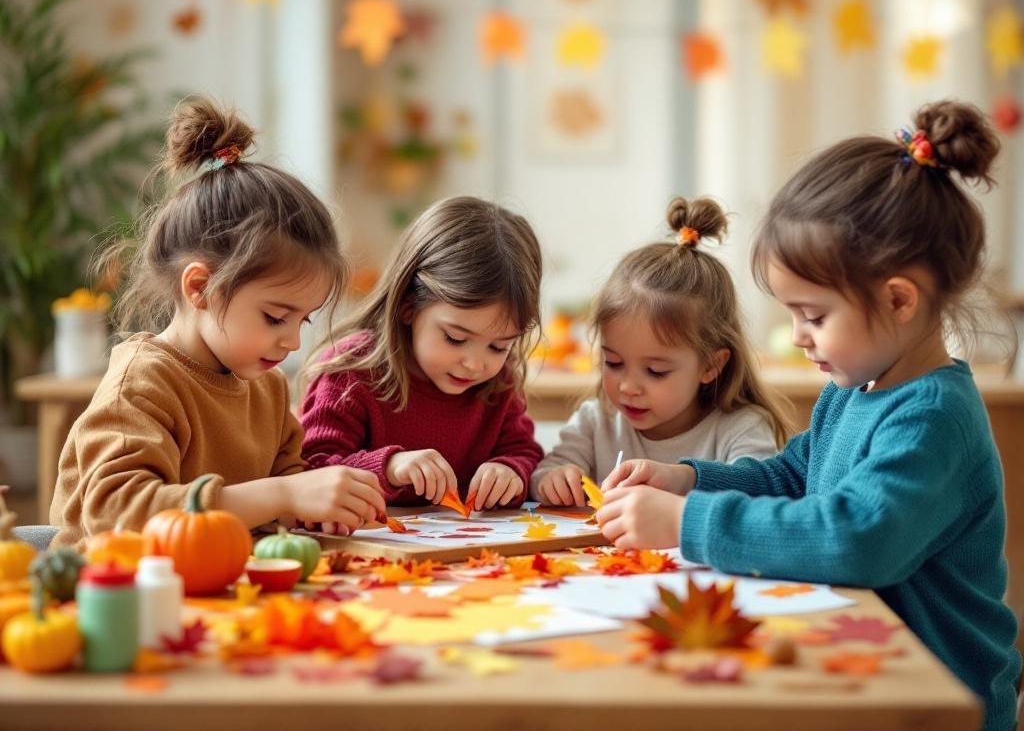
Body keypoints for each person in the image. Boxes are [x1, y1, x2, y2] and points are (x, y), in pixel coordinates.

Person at [599, 101, 1021, 731]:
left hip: (934, 699)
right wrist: (689, 478)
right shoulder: (857, 388)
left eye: (814, 316)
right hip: (857, 673)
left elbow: (856, 539)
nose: (798, 336)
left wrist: (688, 520)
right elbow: (793, 477)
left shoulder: (933, 418)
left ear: (897, 299)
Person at [51, 96, 386, 549]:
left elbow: (286, 484)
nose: (291, 340)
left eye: (302, 321)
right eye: (274, 317)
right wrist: (283, 494)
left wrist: (314, 506)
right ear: (200, 288)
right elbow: (116, 514)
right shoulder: (141, 386)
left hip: (221, 593)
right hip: (118, 604)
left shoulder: (264, 388)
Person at [299, 196, 544, 528]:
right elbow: (312, 469)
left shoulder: (498, 383)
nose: (475, 364)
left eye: (499, 347)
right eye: (455, 339)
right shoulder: (350, 373)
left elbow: (524, 452)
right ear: (408, 305)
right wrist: (390, 466)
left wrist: (510, 470)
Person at [530, 197, 790, 507]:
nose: (628, 386)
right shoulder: (594, 422)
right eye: (613, 363)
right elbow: (543, 474)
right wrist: (553, 479)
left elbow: (763, 495)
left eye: (655, 371)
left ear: (711, 365)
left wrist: (683, 480)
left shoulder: (740, 428)